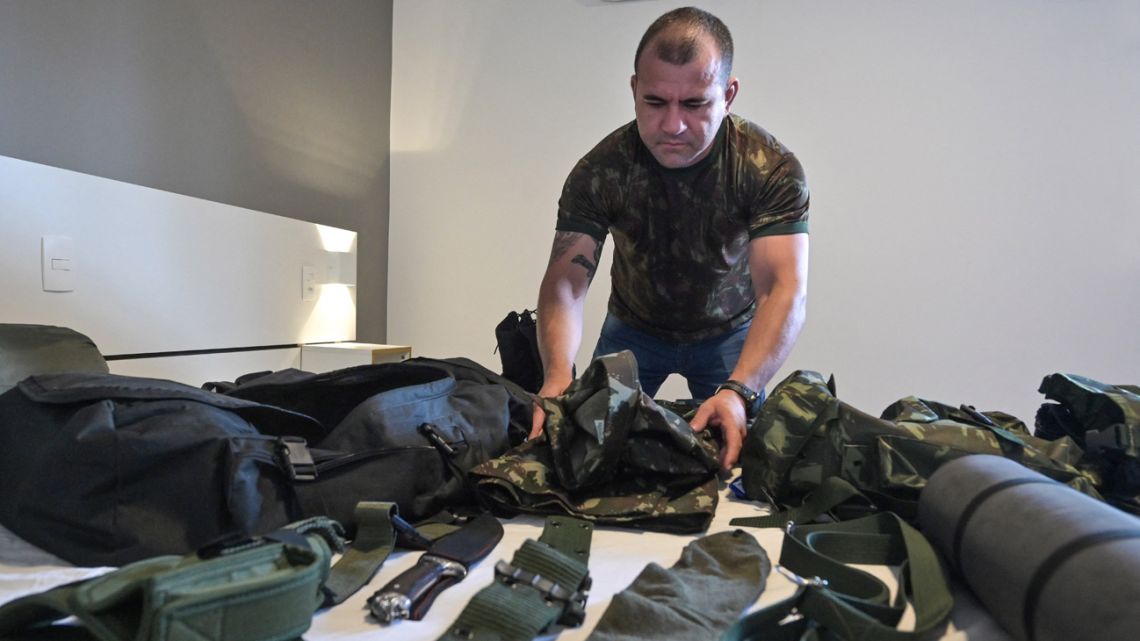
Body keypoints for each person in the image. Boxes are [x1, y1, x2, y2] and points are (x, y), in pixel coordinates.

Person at [530, 7, 810, 471]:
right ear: (634, 89)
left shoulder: (770, 169)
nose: (673, 125)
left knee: (737, 466)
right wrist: (558, 376)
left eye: (695, 103)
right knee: (588, 453)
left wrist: (740, 390)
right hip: (633, 329)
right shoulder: (600, 171)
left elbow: (782, 289)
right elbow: (566, 281)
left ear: (729, 94)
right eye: (655, 102)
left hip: (729, 335)